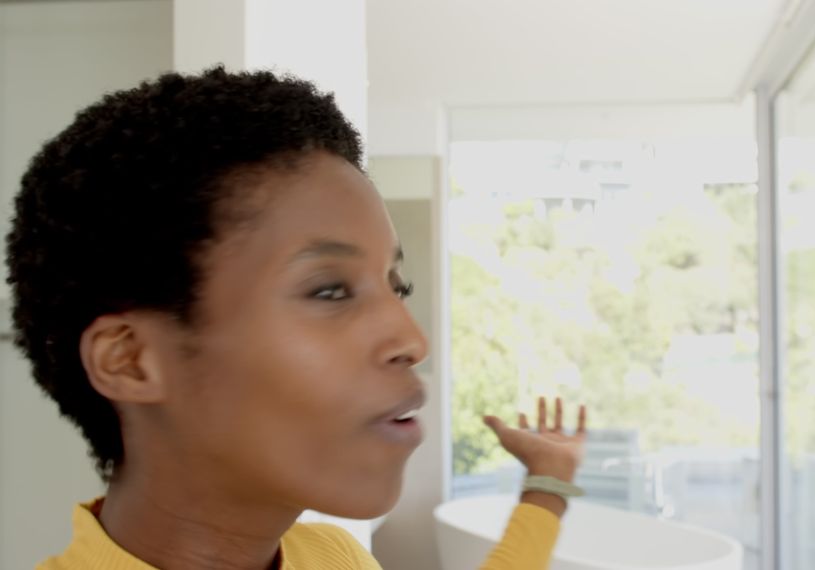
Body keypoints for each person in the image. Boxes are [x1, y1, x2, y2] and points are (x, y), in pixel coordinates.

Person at [4, 67, 587, 570]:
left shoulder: (330, 556)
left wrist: (549, 482)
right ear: (129, 359)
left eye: (396, 287)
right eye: (331, 290)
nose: (411, 339)